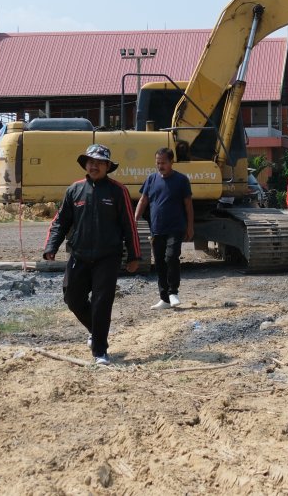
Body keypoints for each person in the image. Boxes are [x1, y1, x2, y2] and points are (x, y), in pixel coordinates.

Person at [42, 144, 140, 365]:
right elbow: (60, 222)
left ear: (107, 166)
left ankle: (100, 351)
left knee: (101, 303)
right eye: (91, 162)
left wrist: (134, 256)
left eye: (99, 163)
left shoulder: (118, 191)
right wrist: (51, 247)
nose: (94, 166)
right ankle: (96, 330)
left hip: (108, 257)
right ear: (85, 164)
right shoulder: (74, 190)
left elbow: (129, 225)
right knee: (72, 298)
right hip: (79, 255)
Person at [134, 147, 193, 310]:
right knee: (159, 262)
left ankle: (173, 292)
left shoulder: (181, 180)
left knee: (171, 257)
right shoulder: (151, 179)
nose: (160, 166)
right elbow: (143, 200)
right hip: (157, 228)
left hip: (176, 227)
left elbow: (188, 205)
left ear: (171, 162)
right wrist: (134, 219)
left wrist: (190, 226)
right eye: (158, 163)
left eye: (164, 163)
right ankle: (165, 299)